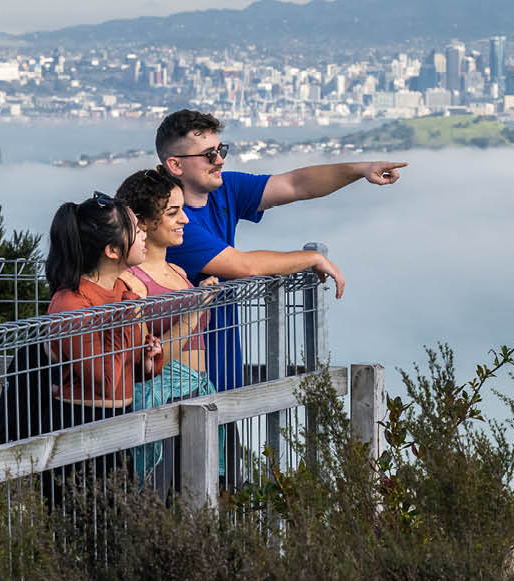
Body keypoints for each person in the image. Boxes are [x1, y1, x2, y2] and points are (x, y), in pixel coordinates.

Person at [154, 108, 405, 389]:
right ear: (176, 165)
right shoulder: (172, 224)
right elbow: (243, 267)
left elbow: (295, 184)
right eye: (209, 155)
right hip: (182, 386)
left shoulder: (225, 189)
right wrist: (310, 258)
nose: (220, 160)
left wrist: (361, 170)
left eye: (220, 149)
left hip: (222, 376)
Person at [115, 167, 222, 480]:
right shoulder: (131, 282)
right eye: (173, 212)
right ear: (143, 222)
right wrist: (197, 307)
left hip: (200, 393)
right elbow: (150, 360)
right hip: (163, 402)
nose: (184, 219)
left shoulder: (178, 271)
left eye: (183, 210)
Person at [33, 193, 165, 437]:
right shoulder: (71, 304)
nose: (145, 233)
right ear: (113, 250)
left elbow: (125, 368)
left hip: (121, 419)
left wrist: (148, 361)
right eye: (136, 228)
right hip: (77, 424)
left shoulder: (121, 291)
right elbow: (104, 383)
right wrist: (123, 317)